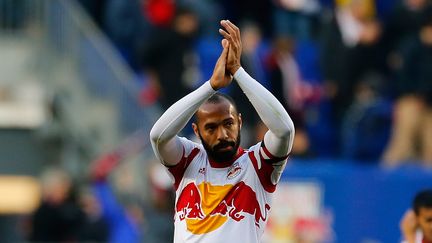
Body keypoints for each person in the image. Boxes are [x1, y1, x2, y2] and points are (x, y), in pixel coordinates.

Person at [150, 20, 295, 242]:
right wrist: (210, 86)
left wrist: (238, 72)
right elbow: (158, 136)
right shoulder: (189, 162)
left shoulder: (257, 166)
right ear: (196, 132)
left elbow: (284, 130)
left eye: (228, 124)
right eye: (211, 127)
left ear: (239, 122)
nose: (222, 134)